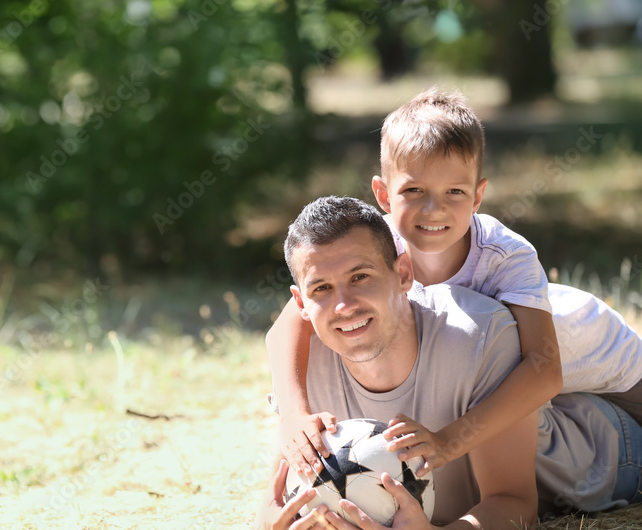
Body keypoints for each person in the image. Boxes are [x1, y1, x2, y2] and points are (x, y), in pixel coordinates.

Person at [265, 88, 642, 480]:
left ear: (478, 196)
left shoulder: (504, 256)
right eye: (414, 191)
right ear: (383, 194)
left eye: (455, 192)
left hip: (611, 366)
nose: (434, 209)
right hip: (555, 398)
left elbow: (545, 370)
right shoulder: (375, 246)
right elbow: (288, 325)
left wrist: (448, 441)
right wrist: (295, 416)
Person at [252, 197, 642, 530]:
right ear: (300, 303)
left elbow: (514, 503)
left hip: (612, 455)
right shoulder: (303, 374)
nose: (344, 304)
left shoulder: (480, 334)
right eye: (321, 288)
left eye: (361, 276)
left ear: (403, 273)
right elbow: (271, 511)